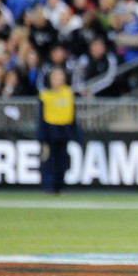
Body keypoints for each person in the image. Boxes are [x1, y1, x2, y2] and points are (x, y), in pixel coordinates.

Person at [37, 66, 82, 195]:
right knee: (49, 162)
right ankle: (48, 187)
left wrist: (76, 133)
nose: (58, 80)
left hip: (64, 131)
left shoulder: (68, 93)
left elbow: (72, 115)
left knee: (62, 162)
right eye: (55, 78)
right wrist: (42, 137)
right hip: (50, 131)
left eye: (60, 78)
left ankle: (60, 187)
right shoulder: (45, 95)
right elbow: (41, 118)